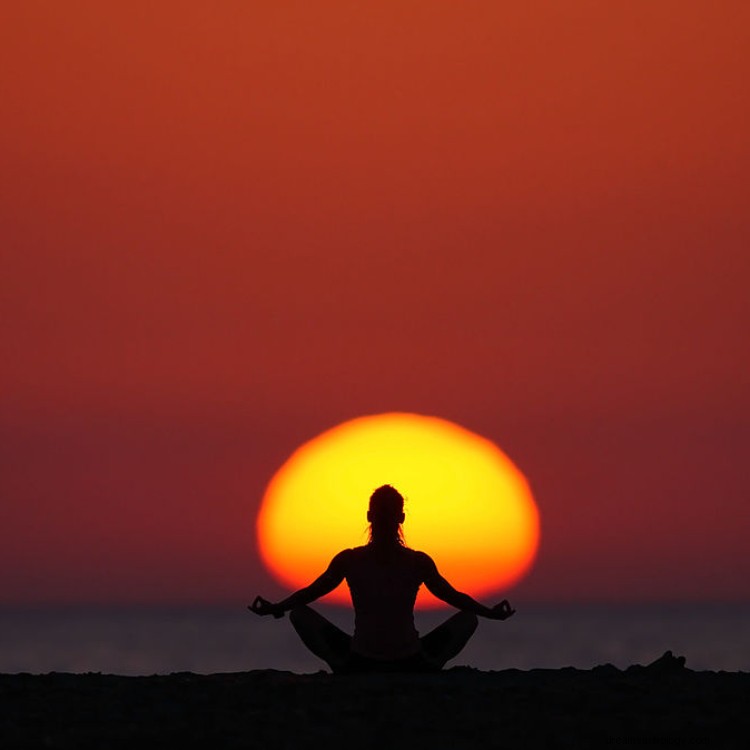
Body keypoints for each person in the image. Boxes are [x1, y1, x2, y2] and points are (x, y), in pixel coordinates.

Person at [249, 484, 515, 673]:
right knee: (469, 617)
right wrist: (489, 613)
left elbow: (310, 593)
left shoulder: (353, 560)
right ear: (402, 517)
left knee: (298, 613)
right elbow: (454, 597)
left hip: (362, 660)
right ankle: (430, 667)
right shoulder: (415, 562)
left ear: (369, 516)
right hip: (409, 660)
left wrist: (276, 608)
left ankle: (340, 666)